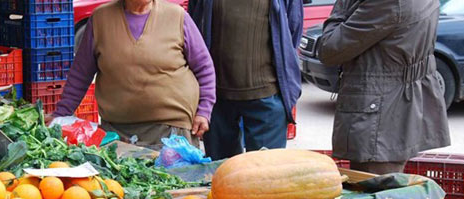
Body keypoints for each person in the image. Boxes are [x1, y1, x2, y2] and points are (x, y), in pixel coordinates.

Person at [49, 0, 216, 150]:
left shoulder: (177, 17)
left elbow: (204, 68)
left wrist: (204, 111)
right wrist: (61, 114)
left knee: (176, 183)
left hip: (173, 131)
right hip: (117, 132)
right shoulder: (101, 19)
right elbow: (80, 74)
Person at [318, 0, 450, 174]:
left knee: (375, 192)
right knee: (385, 190)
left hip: (381, 116)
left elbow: (329, 49)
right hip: (399, 107)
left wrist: (342, 6)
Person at [189, 0, 303, 160]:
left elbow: (292, 32)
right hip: (217, 100)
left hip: (267, 98)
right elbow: (195, 31)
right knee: (221, 175)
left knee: (266, 176)